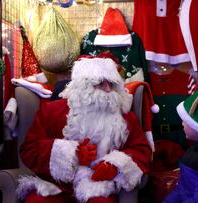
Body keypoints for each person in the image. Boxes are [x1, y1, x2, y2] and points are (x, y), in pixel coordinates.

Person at [16, 53, 152, 203]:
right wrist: (70, 153)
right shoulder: (52, 112)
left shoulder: (125, 118)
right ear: (84, 85)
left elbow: (141, 150)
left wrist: (115, 165)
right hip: (55, 184)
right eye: (100, 83)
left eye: (111, 84)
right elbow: (29, 150)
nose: (107, 90)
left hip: (98, 185)